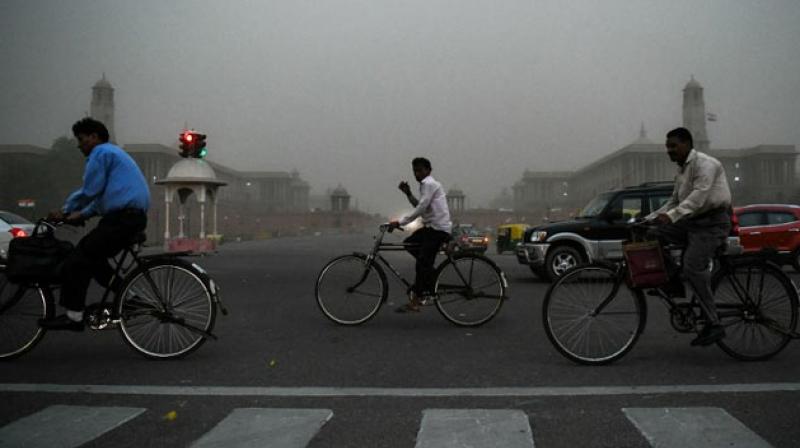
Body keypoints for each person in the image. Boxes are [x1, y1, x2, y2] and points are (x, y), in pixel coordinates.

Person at [38, 118, 150, 331]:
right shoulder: (114, 155)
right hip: (130, 218)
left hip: (122, 219)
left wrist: (66, 210)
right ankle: (132, 298)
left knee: (78, 258)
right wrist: (82, 215)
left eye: (81, 139)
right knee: (96, 263)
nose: (79, 145)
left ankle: (74, 315)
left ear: (94, 137)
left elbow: (90, 191)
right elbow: (101, 200)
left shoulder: (101, 153)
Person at [645, 127, 732, 346]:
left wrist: (671, 216)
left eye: (673, 146)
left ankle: (714, 323)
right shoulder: (682, 170)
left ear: (687, 144)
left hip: (712, 224)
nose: (669, 151)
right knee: (650, 234)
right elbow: (674, 202)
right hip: (692, 222)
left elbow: (698, 198)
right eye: (667, 147)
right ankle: (673, 281)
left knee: (693, 267)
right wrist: (650, 218)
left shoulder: (706, 164)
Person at [390, 157, 452, 312]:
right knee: (410, 245)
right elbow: (420, 205)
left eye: (420, 170)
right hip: (431, 228)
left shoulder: (430, 184)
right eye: (415, 171)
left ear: (428, 170)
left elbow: (421, 208)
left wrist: (400, 222)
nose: (417, 174)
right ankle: (431, 276)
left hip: (438, 230)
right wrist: (408, 194)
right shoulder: (426, 186)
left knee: (422, 262)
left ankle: (418, 299)